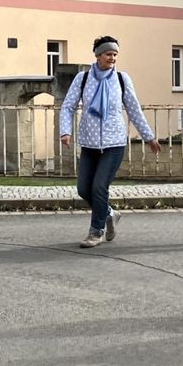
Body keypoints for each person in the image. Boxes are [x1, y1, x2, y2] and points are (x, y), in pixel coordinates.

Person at [59, 36, 162, 248]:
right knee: (83, 189)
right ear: (98, 55)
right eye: (108, 54)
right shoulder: (83, 78)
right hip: (89, 143)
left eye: (115, 54)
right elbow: (68, 106)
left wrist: (149, 136)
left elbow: (134, 109)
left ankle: (96, 231)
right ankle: (110, 214)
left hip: (114, 143)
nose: (112, 58)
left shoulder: (122, 79)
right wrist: (65, 131)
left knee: (99, 186)